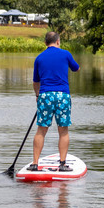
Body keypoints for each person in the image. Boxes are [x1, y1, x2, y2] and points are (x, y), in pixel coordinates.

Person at [29, 31, 80, 172]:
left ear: (45, 43)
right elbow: (76, 68)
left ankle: (34, 164)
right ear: (58, 41)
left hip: (45, 95)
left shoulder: (39, 58)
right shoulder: (66, 54)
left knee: (41, 130)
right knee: (63, 131)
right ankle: (62, 164)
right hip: (62, 95)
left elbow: (35, 82)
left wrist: (38, 96)